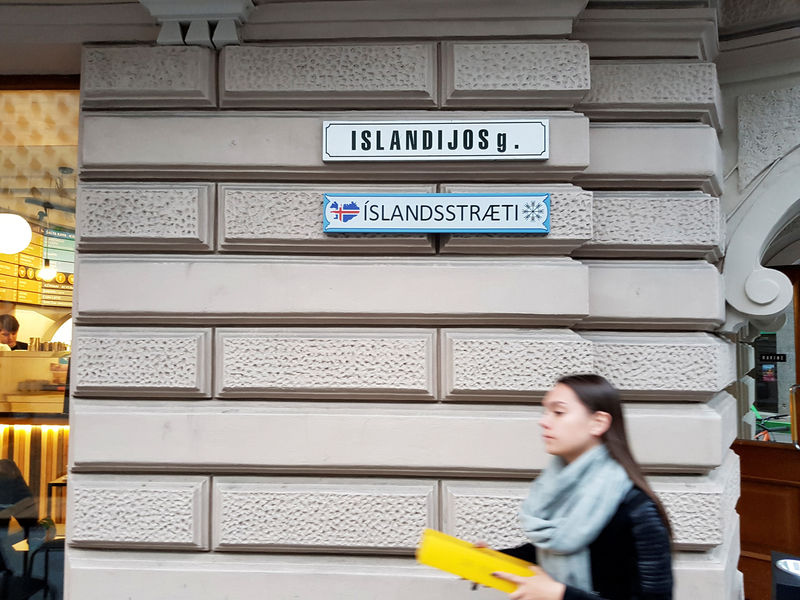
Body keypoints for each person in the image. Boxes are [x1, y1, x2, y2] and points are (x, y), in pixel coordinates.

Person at [490, 373, 673, 600]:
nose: (543, 421)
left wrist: (559, 594)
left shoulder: (636, 508)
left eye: (558, 412)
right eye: (545, 411)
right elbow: (554, 551)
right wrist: (490, 561)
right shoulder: (563, 489)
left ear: (598, 423)